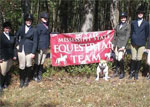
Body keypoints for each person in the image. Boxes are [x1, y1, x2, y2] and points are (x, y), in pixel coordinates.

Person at [16, 14, 37, 88]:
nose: (28, 22)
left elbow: (35, 42)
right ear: (25, 21)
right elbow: (17, 37)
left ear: (31, 21)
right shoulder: (21, 28)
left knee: (28, 65)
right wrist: (17, 45)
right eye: (27, 20)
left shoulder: (34, 30)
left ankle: (27, 80)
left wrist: (33, 52)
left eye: (30, 20)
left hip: (29, 50)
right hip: (21, 49)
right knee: (22, 65)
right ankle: (22, 80)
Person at [129, 9, 149, 80]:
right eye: (139, 13)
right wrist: (132, 38)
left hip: (142, 43)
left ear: (143, 14)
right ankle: (131, 72)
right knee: (133, 58)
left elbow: (147, 34)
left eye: (141, 13)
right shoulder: (133, 22)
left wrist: (146, 43)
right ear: (137, 14)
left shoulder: (146, 23)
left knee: (139, 58)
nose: (140, 14)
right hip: (133, 43)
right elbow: (131, 32)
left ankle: (136, 73)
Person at [112, 12, 130, 79]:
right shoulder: (117, 25)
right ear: (120, 18)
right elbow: (115, 35)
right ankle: (116, 72)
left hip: (122, 44)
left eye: (124, 17)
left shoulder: (127, 26)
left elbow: (127, 36)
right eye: (122, 18)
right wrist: (113, 43)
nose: (123, 19)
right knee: (116, 58)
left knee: (120, 58)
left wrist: (124, 46)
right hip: (116, 44)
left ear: (126, 18)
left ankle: (122, 72)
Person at [33, 12, 50, 82]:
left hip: (46, 46)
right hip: (40, 47)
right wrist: (36, 48)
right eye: (44, 18)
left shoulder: (48, 26)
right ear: (41, 19)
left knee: (42, 61)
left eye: (46, 18)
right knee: (37, 61)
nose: (45, 19)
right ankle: (35, 75)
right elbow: (36, 37)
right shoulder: (38, 26)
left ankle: (39, 74)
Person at [0, 22, 17, 92]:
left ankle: (6, 83)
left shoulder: (12, 36)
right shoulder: (1, 36)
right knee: (2, 72)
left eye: (9, 28)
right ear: (4, 28)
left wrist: (15, 55)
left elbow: (14, 47)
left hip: (10, 57)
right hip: (3, 57)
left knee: (7, 71)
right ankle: (0, 84)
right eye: (6, 28)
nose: (8, 29)